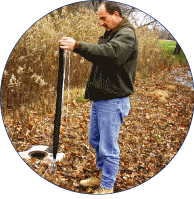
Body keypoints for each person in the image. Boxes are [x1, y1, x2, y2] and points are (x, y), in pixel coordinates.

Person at [59, 1, 138, 194]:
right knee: (95, 139)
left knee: (108, 147)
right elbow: (102, 58)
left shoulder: (126, 35)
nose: (101, 22)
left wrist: (77, 46)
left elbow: (108, 54)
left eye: (103, 18)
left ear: (116, 15)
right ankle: (104, 175)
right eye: (99, 19)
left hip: (113, 100)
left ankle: (107, 186)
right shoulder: (110, 34)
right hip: (101, 98)